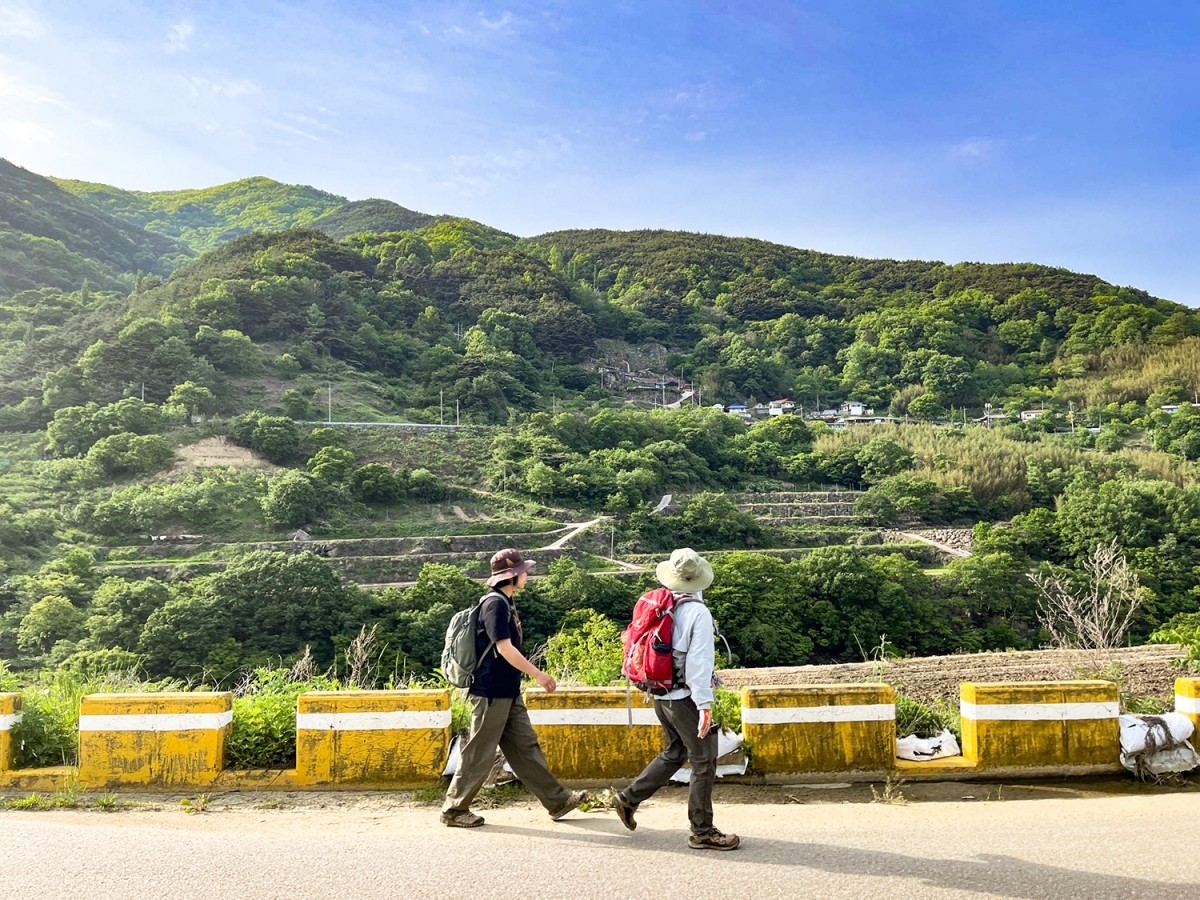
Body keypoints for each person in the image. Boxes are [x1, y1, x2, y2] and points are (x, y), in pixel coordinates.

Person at [441, 548, 588, 828]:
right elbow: (504, 648)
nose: (527, 576)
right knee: (479, 752)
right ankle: (454, 809)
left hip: (507, 691)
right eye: (524, 572)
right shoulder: (495, 605)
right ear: (512, 577)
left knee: (525, 748)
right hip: (490, 693)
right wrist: (538, 674)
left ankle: (557, 802)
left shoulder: (505, 603)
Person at [614, 548, 740, 851]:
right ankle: (702, 831)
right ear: (698, 580)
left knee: (674, 752)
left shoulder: (659, 603)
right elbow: (699, 665)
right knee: (704, 761)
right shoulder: (697, 612)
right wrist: (704, 706)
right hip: (684, 698)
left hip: (659, 694)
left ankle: (628, 798)